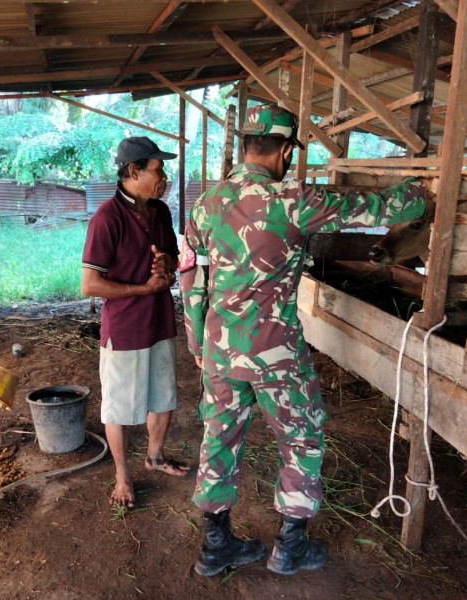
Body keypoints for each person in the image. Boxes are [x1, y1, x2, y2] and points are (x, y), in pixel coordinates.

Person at [179, 104, 428, 576]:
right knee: (301, 435)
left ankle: (215, 546)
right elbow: (375, 209)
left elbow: (191, 276)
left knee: (218, 437)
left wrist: (196, 344)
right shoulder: (293, 200)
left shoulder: (205, 202)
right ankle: (289, 545)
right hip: (276, 353)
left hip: (219, 350)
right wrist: (420, 193)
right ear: (286, 150)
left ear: (247, 144)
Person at [81, 136, 190, 509]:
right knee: (118, 406)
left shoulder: (160, 212)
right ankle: (122, 475)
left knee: (163, 395)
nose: (165, 177)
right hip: (125, 330)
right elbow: (89, 284)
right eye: (158, 169)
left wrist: (166, 269)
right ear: (133, 171)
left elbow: (174, 260)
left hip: (159, 323)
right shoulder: (106, 219)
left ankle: (156, 457)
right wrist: (145, 288)